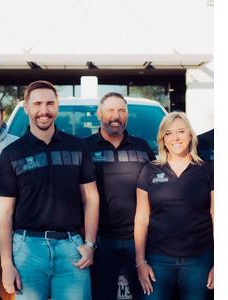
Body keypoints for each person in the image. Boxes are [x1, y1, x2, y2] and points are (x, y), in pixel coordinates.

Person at [0, 80, 99, 300]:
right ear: (26, 107)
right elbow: (4, 213)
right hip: (27, 251)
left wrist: (90, 244)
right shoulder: (11, 154)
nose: (43, 111)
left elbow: (91, 199)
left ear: (57, 106)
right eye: (37, 104)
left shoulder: (77, 147)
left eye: (49, 103)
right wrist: (6, 263)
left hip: (72, 249)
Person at [134, 111, 214, 300]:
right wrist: (140, 262)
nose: (175, 138)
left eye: (181, 131)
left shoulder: (207, 170)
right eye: (168, 133)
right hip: (158, 260)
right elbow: (141, 219)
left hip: (199, 260)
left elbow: (215, 215)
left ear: (190, 135)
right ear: (162, 138)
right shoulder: (149, 170)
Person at [84, 92, 156, 300]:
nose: (116, 116)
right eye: (110, 110)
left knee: (145, 296)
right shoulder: (84, 148)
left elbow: (158, 187)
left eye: (121, 111)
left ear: (127, 115)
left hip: (141, 240)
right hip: (100, 242)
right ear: (99, 114)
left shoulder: (143, 147)